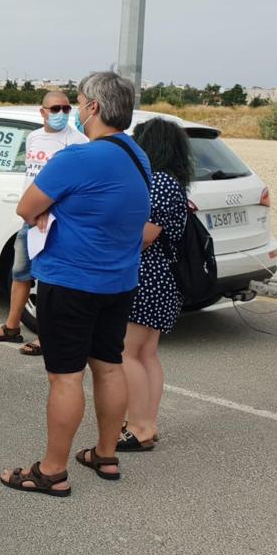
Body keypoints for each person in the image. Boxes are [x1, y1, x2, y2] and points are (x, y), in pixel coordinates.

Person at [0, 71, 150, 497]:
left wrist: (48, 213)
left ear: (94, 108)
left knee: (65, 377)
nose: (76, 111)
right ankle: (106, 454)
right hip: (118, 281)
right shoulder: (137, 155)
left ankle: (52, 470)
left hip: (71, 281)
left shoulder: (78, 158)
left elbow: (28, 208)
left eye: (80, 102)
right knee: (108, 365)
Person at [0, 90, 87, 356]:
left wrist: (48, 211)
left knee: (50, 281)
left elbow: (76, 186)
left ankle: (48, 337)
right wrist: (32, 210)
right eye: (55, 109)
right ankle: (12, 326)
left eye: (65, 108)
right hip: (30, 219)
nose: (61, 113)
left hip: (55, 222)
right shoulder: (34, 137)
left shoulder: (79, 142)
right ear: (43, 112)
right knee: (20, 273)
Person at [118, 118, 191, 452]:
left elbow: (144, 237)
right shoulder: (173, 182)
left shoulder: (158, 182)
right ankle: (148, 423)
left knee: (127, 353)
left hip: (147, 276)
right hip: (162, 279)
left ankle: (138, 426)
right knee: (146, 354)